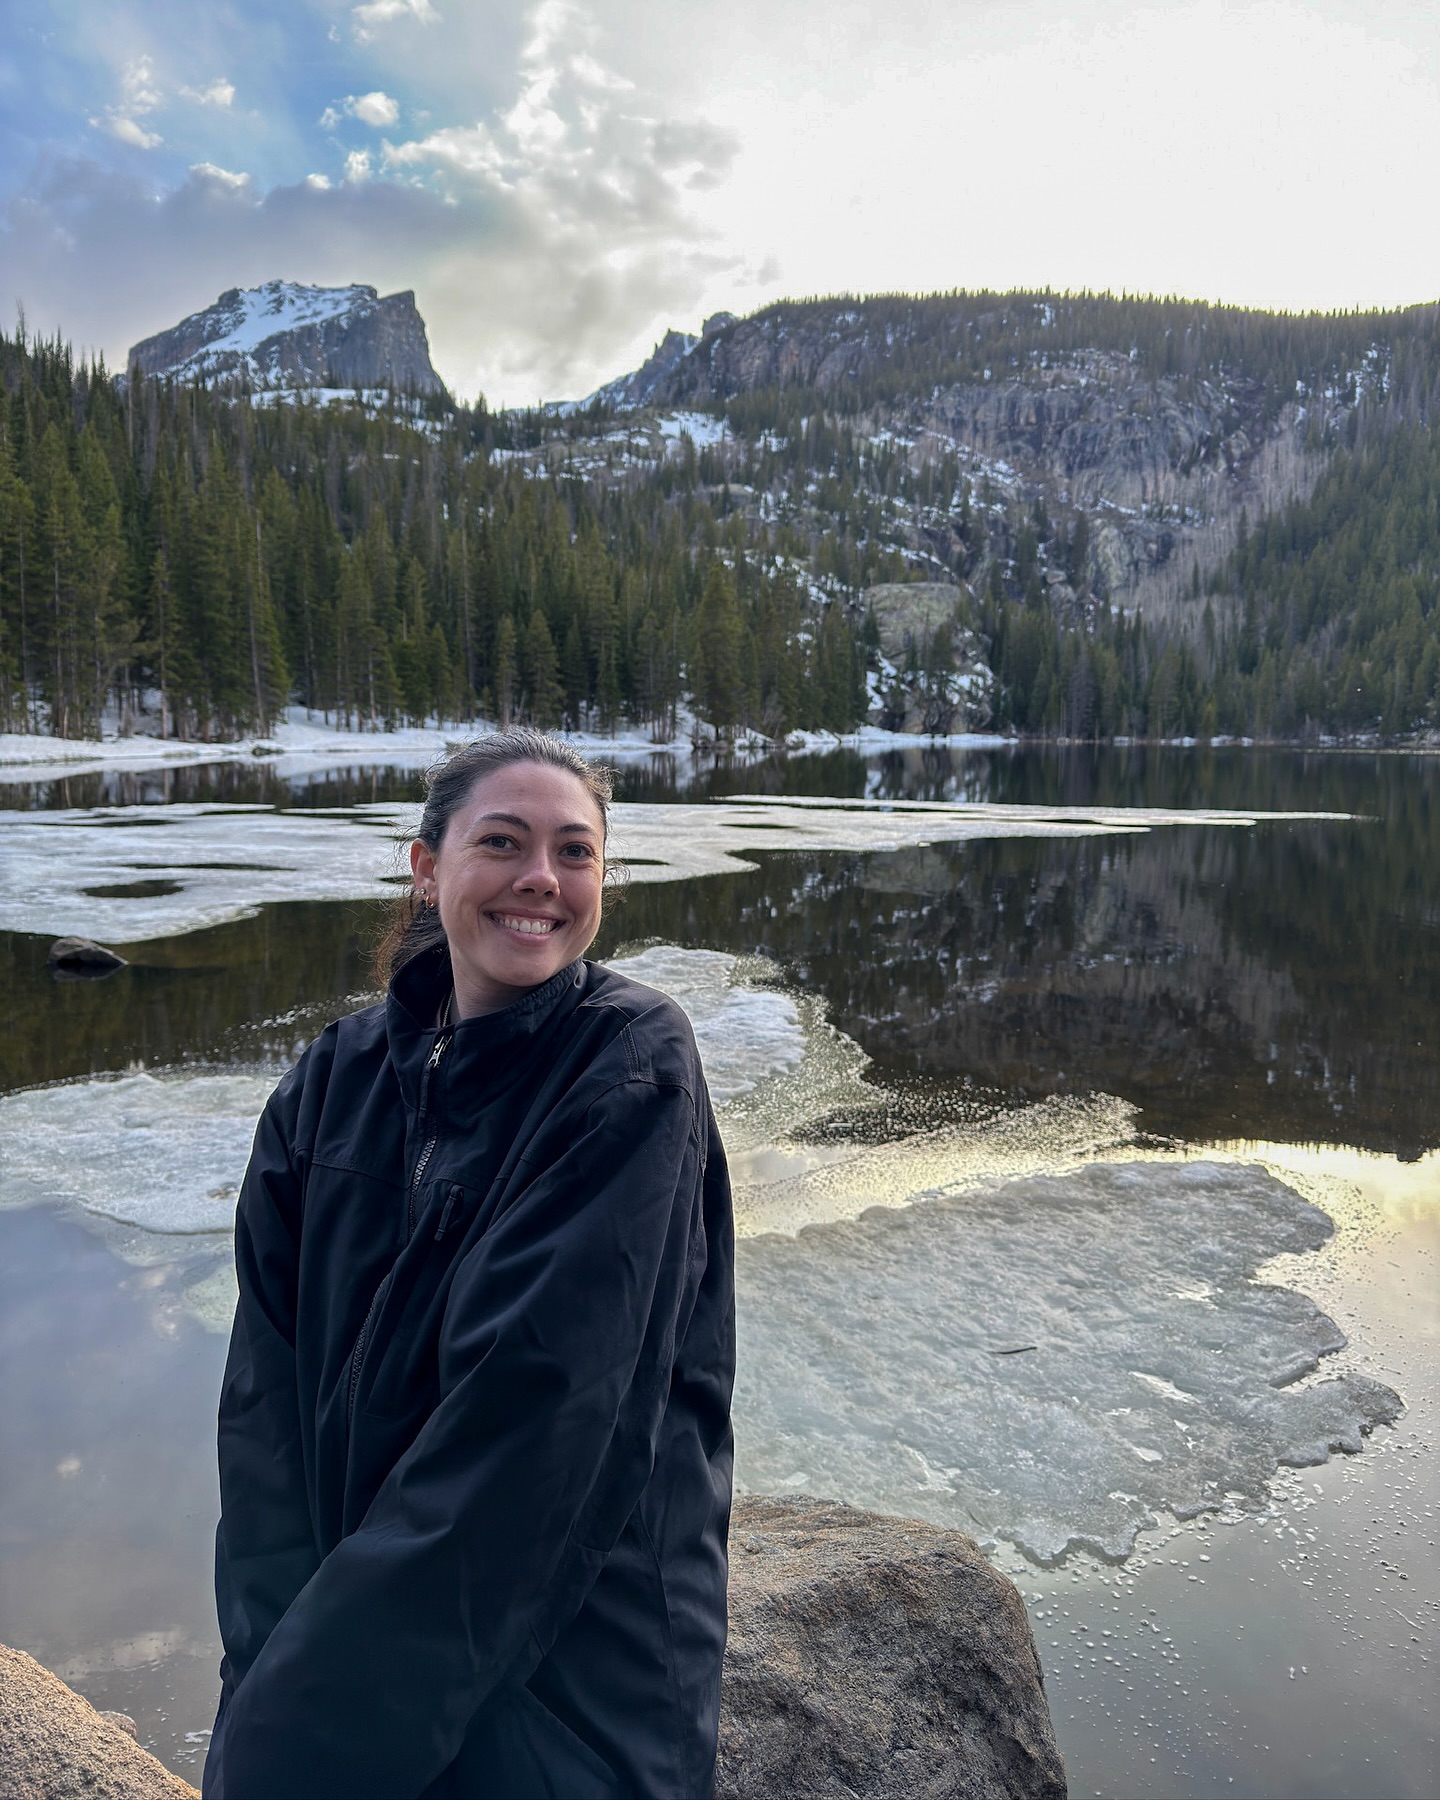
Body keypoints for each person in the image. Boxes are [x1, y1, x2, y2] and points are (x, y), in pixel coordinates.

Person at [202, 730, 736, 1800]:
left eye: (575, 853)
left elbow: (532, 1438)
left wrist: (300, 1741)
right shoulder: (332, 1081)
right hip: (362, 1657)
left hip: (568, 1686)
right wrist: (264, 1673)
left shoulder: (630, 1070)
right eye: (504, 841)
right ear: (427, 865)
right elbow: (263, 1417)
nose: (541, 878)